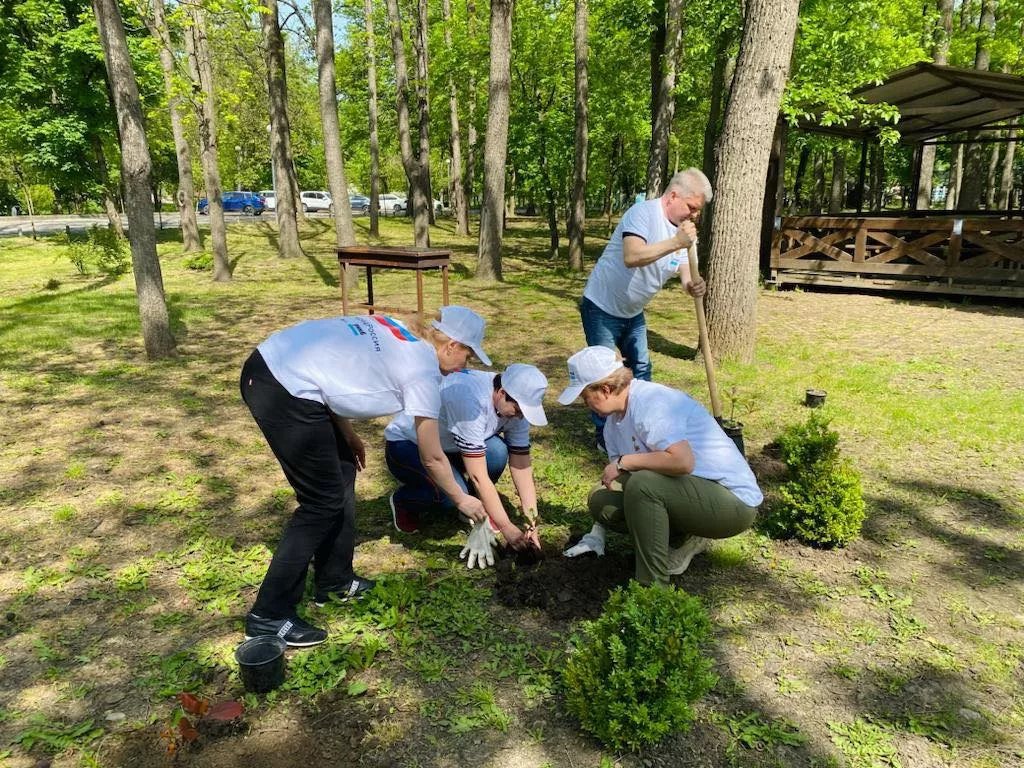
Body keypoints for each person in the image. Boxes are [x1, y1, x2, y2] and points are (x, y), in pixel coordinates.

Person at [240, 306, 492, 647]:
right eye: (468, 356)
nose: (466, 367)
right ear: (451, 346)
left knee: (342, 472)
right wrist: (462, 498)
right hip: (280, 386)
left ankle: (334, 580)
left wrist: (347, 434)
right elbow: (432, 456)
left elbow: (332, 374)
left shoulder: (404, 332)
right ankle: (268, 615)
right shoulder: (422, 371)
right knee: (320, 502)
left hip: (285, 371)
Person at [558, 346, 763, 587]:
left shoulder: (650, 403)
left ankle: (653, 588)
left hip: (732, 504)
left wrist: (626, 461)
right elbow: (619, 480)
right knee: (601, 500)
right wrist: (597, 534)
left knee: (644, 485)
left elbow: (682, 461)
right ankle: (676, 541)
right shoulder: (613, 423)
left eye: (584, 396)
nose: (584, 404)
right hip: (689, 493)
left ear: (604, 389)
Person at [580, 168, 712, 448]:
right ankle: (606, 436)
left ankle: (641, 425)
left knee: (641, 369)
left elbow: (687, 273)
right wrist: (676, 242)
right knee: (605, 375)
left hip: (633, 311)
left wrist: (692, 286)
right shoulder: (642, 214)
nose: (695, 215)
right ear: (673, 195)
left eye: (698, 210)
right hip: (601, 306)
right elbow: (632, 256)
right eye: (692, 207)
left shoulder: (686, 235)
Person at [383, 363, 548, 554]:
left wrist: (531, 522)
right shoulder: (470, 399)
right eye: (518, 411)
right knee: (450, 495)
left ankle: (472, 504)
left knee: (497, 452)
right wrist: (507, 528)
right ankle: (403, 501)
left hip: (452, 447)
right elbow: (478, 476)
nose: (520, 418)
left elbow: (521, 465)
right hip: (409, 445)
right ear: (502, 393)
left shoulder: (517, 406)